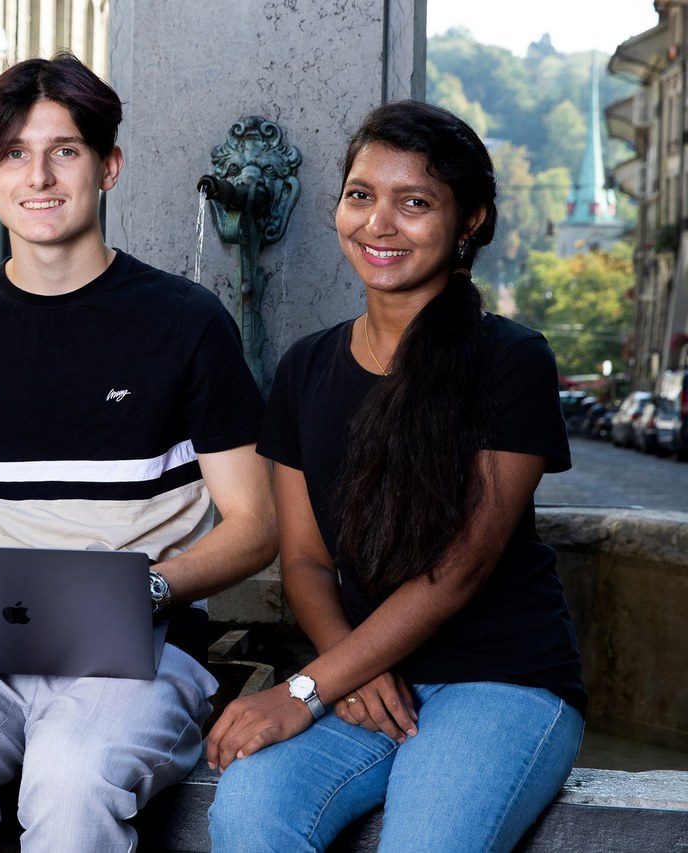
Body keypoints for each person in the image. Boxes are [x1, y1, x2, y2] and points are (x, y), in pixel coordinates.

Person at [0, 52, 278, 852]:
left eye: (65, 150)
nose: (40, 176)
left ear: (109, 166)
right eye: (15, 153)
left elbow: (256, 521)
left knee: (74, 774)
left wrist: (149, 588)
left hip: (139, 645)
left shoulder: (186, 321)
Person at [206, 100, 586, 853]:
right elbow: (307, 558)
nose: (379, 224)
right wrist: (346, 667)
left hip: (501, 682)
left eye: (414, 203)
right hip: (365, 676)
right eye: (361, 196)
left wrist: (307, 687)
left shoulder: (511, 360)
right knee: (248, 806)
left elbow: (459, 568)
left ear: (470, 219)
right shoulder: (308, 368)